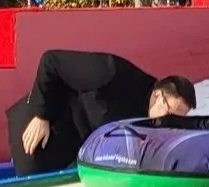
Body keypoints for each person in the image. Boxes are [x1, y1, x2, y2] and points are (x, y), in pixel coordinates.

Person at [10, 51, 194, 175]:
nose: (171, 123)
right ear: (158, 95)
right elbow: (51, 61)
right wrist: (41, 115)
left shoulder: (152, 122)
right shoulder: (111, 72)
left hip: (76, 157)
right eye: (171, 113)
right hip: (39, 134)